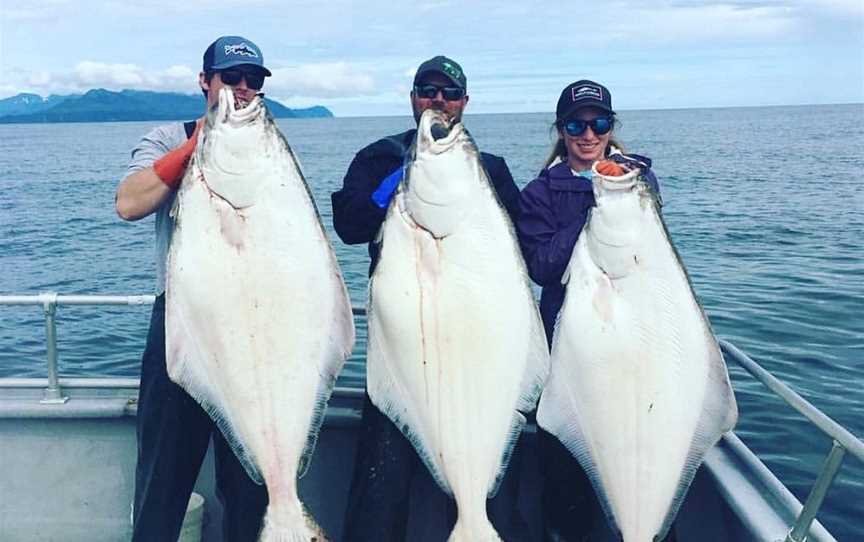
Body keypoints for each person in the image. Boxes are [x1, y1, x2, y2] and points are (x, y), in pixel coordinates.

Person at [331, 55, 529, 542]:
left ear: (464, 103)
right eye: (427, 90)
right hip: (403, 348)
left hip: (474, 349)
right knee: (379, 499)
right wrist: (385, 196)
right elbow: (349, 227)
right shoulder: (378, 157)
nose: (438, 100)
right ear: (413, 97)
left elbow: (526, 243)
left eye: (449, 93)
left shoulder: (491, 171)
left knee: (489, 494)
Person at [115, 35, 271, 542]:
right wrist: (195, 145)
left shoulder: (272, 150)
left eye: (253, 81)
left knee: (250, 491)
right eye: (231, 78)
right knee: (162, 483)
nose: (242, 90)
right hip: (181, 325)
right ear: (205, 82)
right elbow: (129, 203)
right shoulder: (167, 137)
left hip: (251, 334)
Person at [516, 80, 664, 542]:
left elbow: (653, 256)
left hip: (633, 348)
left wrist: (622, 191)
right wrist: (598, 207)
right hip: (569, 356)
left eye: (599, 123)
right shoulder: (540, 193)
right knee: (564, 489)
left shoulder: (639, 180)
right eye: (576, 124)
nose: (588, 134)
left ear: (610, 126)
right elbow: (541, 267)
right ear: (561, 130)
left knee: (643, 468)